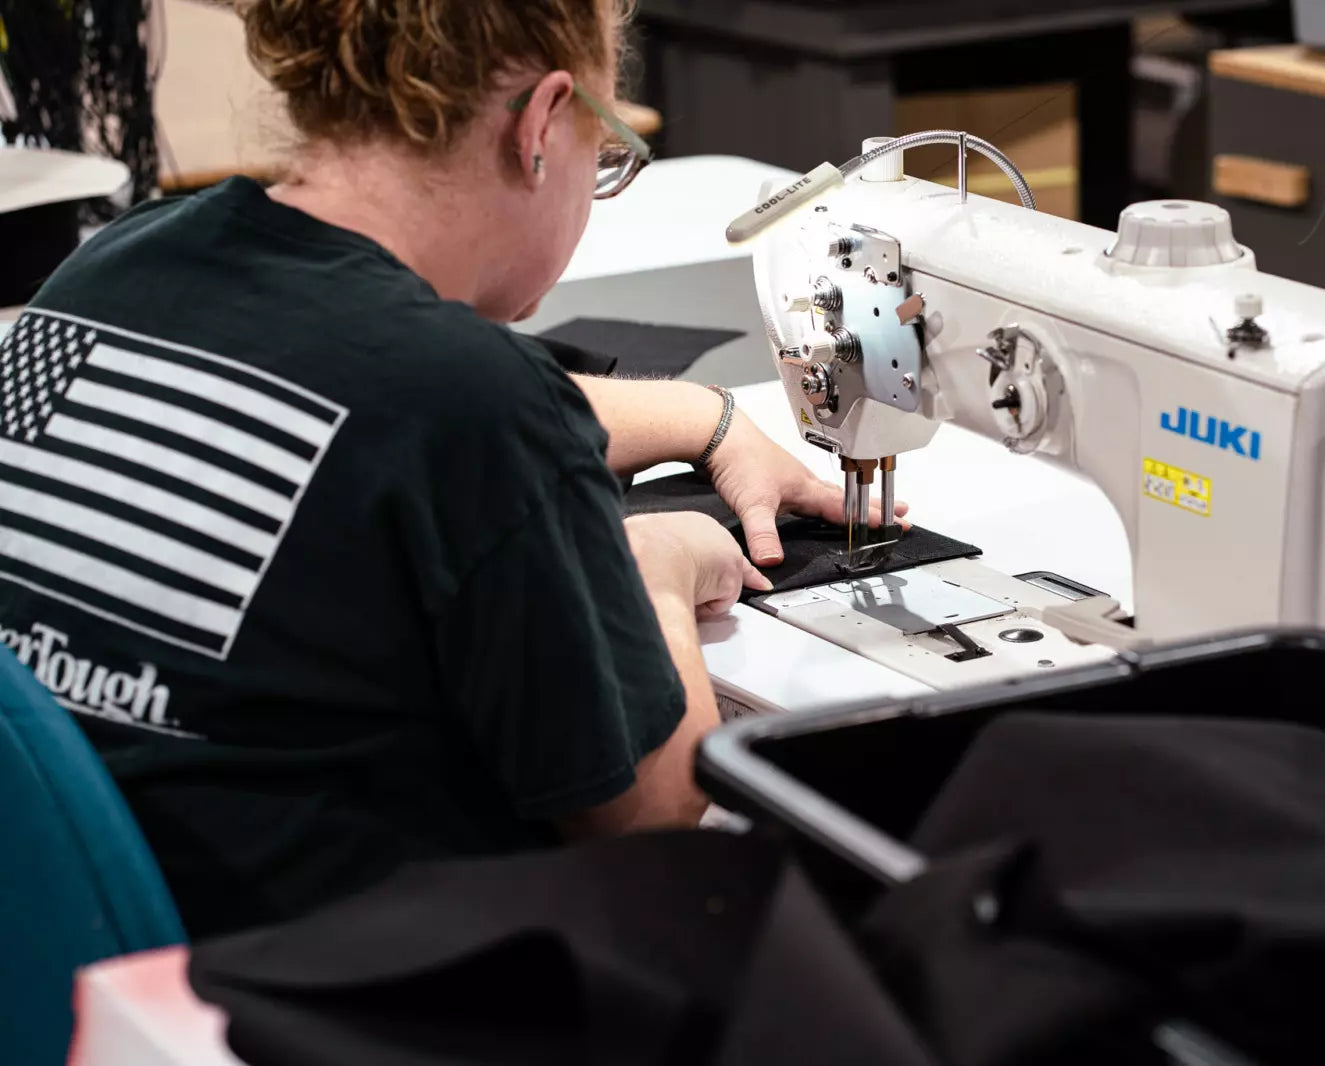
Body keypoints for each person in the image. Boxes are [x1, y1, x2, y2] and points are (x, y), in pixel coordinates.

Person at [0, 0, 901, 937]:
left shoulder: (113, 270)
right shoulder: (469, 400)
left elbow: (338, 402)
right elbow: (652, 812)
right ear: (543, 124)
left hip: (59, 957)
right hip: (310, 993)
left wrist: (698, 416)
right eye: (608, 156)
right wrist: (658, 573)